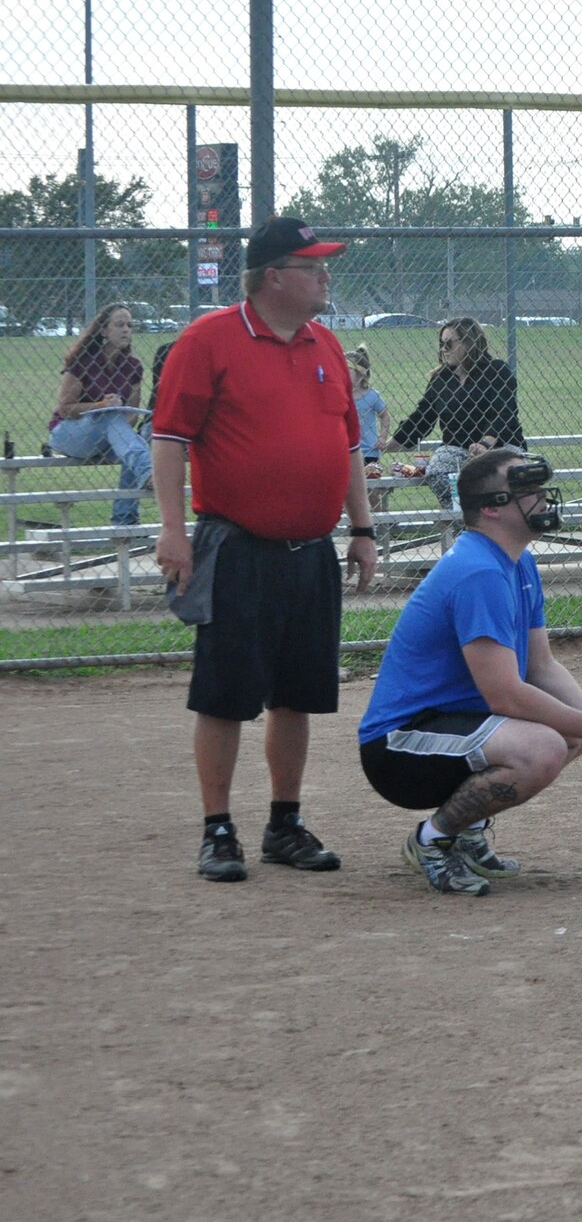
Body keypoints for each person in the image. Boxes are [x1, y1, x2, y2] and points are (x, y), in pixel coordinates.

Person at [150, 216, 378, 882]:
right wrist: (171, 528)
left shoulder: (326, 345)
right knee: (224, 694)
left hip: (311, 549)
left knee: (297, 692)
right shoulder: (210, 339)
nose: (324, 276)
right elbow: (170, 439)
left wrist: (361, 529)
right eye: (312, 266)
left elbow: (348, 443)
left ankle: (284, 822)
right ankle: (218, 827)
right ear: (273, 275)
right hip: (238, 544)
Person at [355, 449, 582, 895]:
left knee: (569, 731)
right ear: (491, 507)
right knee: (545, 745)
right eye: (527, 491)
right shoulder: (478, 572)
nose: (542, 500)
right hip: (398, 747)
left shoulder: (516, 563)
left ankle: (465, 830)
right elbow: (507, 696)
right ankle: (432, 841)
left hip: (451, 730)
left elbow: (541, 667)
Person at [379, 317, 525, 506]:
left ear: (469, 343)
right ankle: (470, 522)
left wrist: (485, 442)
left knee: (502, 476)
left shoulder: (496, 371)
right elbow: (422, 418)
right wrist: (387, 445)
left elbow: (504, 412)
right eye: (441, 344)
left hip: (500, 446)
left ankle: (487, 520)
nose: (443, 349)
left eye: (449, 343)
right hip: (457, 448)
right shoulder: (441, 379)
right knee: (438, 473)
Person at [47, 303, 153, 527]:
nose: (126, 329)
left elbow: (132, 415)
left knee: (135, 442)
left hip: (109, 439)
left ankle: (124, 520)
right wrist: (100, 405)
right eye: (119, 324)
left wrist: (116, 426)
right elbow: (65, 409)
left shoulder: (133, 366)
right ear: (103, 330)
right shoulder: (83, 361)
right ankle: (150, 474)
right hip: (69, 434)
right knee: (112, 417)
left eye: (130, 325)